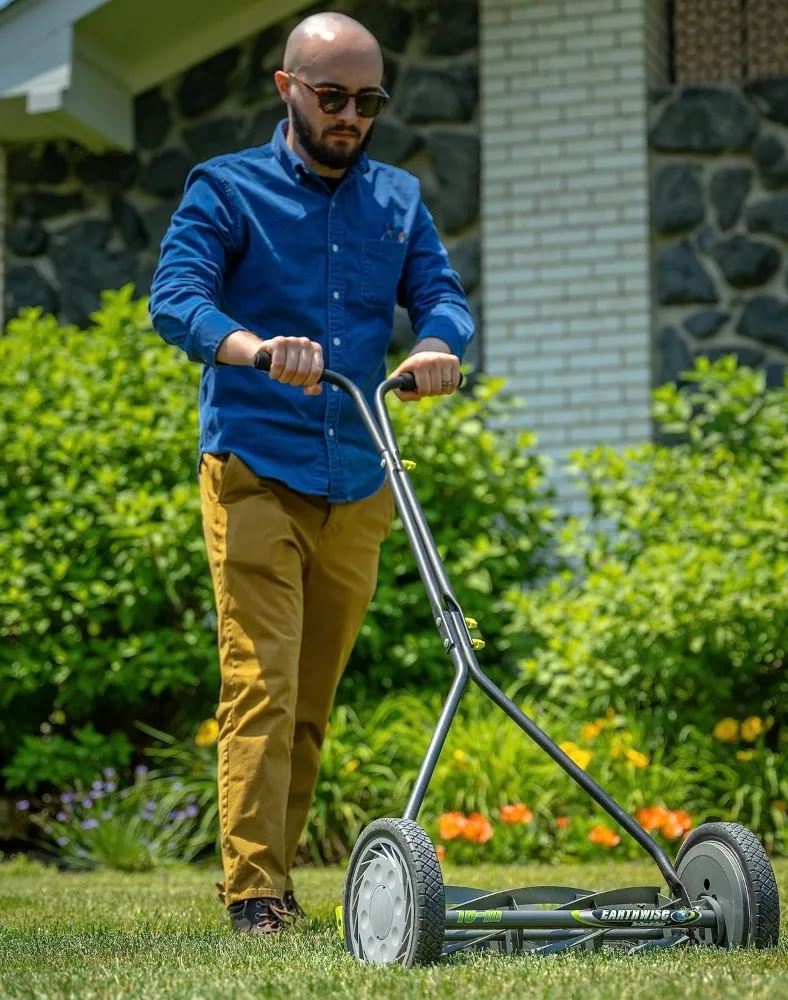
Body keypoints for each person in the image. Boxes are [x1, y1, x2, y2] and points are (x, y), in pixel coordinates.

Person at [148, 10, 474, 935]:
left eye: (368, 101)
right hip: (254, 465)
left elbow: (439, 296)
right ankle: (254, 892)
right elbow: (176, 301)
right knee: (263, 679)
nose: (351, 117)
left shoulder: (397, 200)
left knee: (312, 698)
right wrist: (254, 349)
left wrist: (441, 346)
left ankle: (279, 882)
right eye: (332, 97)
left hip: (359, 477)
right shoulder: (226, 188)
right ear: (288, 88)